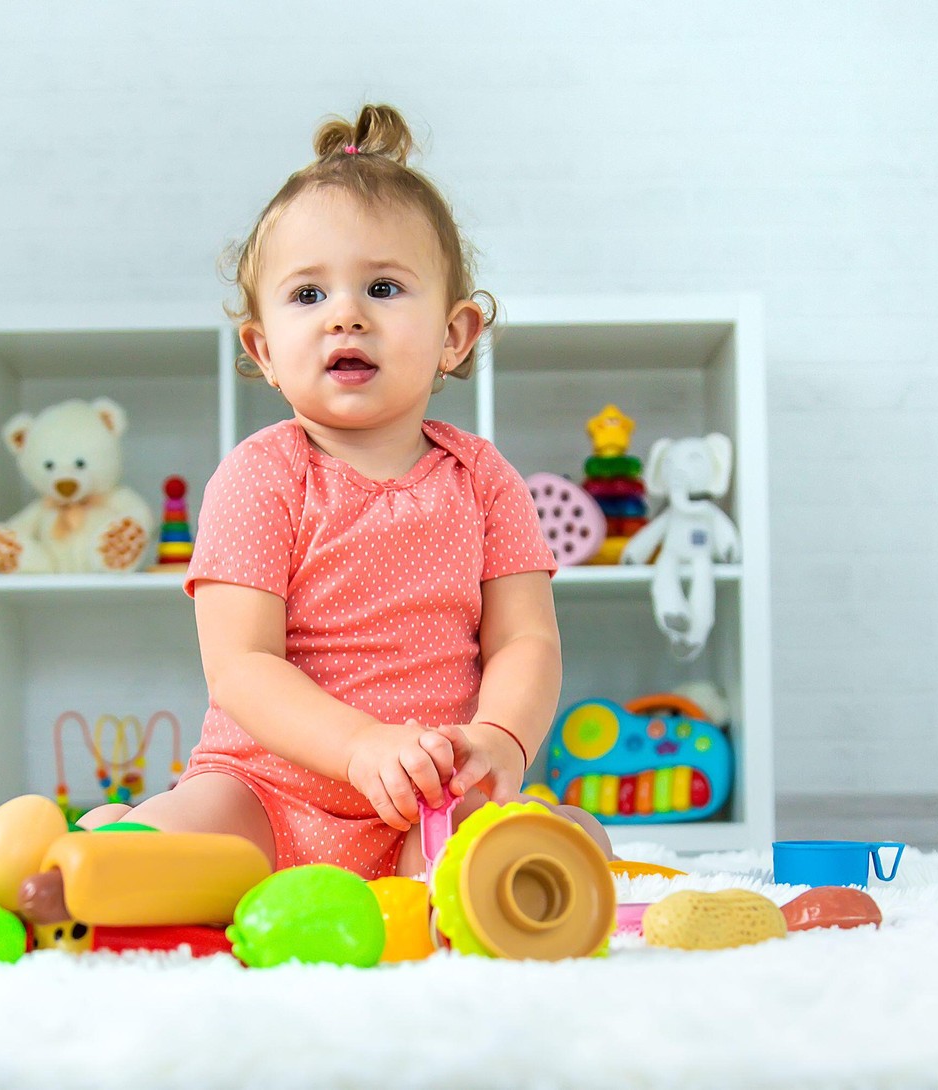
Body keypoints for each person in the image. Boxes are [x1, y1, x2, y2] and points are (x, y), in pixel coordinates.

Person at [80, 104, 611, 877]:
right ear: (263, 349)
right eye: (307, 297)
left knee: (560, 847)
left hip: (429, 796)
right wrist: (359, 744)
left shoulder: (484, 480)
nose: (347, 317)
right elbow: (242, 665)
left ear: (455, 335)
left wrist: (500, 738)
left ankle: (435, 875)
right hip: (265, 790)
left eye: (385, 287)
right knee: (173, 856)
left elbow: (525, 641)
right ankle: (121, 833)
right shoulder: (262, 476)